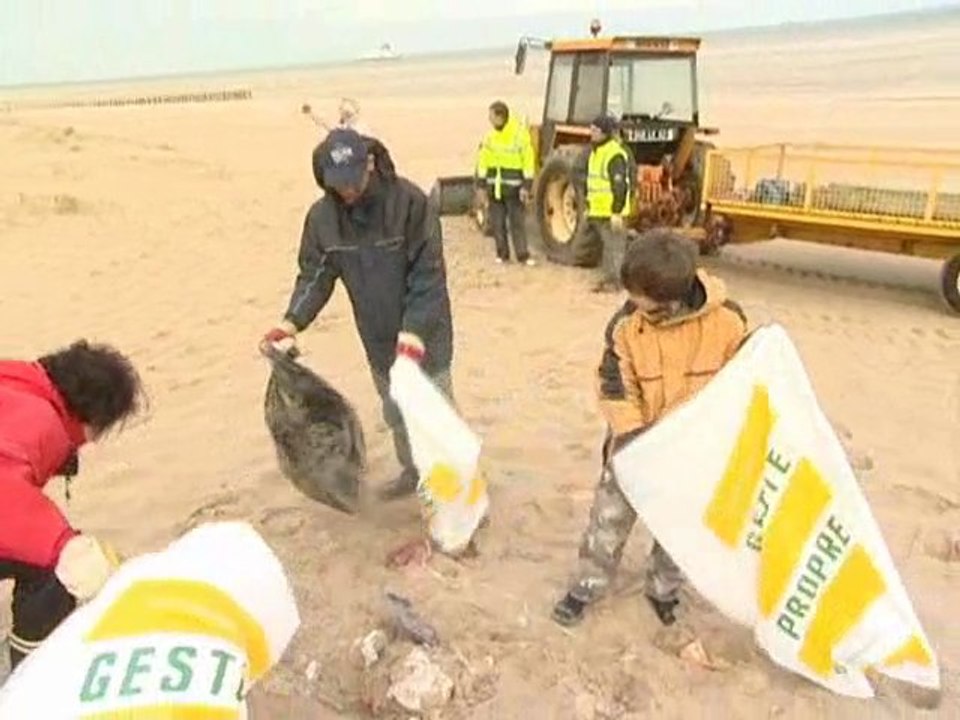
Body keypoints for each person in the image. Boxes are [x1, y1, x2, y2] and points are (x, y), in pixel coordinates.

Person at [551, 230, 748, 628]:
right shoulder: (625, 325)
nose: (632, 304)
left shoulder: (729, 322)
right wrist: (636, 438)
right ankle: (587, 585)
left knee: (679, 531)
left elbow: (744, 383)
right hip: (632, 448)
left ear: (671, 299)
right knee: (607, 523)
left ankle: (663, 590)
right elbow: (613, 384)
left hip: (694, 457)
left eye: (642, 299)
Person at [261, 128, 454, 501]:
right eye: (338, 185)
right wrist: (291, 323)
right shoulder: (322, 220)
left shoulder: (410, 203)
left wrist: (413, 333)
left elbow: (429, 276)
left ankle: (455, 492)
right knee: (397, 412)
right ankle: (414, 472)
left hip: (427, 334)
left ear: (369, 164)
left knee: (439, 417)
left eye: (353, 180)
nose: (348, 191)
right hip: (378, 338)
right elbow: (315, 275)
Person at [0, 340, 143, 669]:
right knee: (52, 573)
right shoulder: (41, 420)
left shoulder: (15, 381)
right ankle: (30, 676)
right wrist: (64, 546)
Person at [475, 101, 536, 266]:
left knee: (517, 223)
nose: (489, 120)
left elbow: (528, 161)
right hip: (495, 188)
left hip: (514, 188)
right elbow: (482, 162)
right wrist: (480, 185)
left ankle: (522, 255)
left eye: (491, 116)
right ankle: (502, 254)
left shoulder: (519, 135)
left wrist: (526, 186)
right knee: (498, 223)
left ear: (500, 116)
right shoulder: (489, 137)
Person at [584, 115, 633, 292]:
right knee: (608, 247)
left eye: (595, 130)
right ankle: (609, 280)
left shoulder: (614, 154)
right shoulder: (596, 152)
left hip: (612, 212)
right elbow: (593, 184)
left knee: (616, 248)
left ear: (605, 133)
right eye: (591, 129)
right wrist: (589, 206)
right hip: (600, 210)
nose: (592, 133)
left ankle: (617, 283)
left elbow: (620, 186)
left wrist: (617, 212)